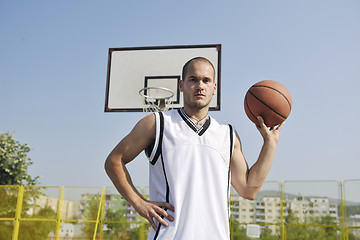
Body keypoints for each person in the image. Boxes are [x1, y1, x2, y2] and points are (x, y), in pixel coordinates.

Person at [105, 57, 284, 240]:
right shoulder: (157, 124)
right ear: (181, 85)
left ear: (214, 88)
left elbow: (249, 190)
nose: (200, 86)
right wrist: (138, 202)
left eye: (206, 80)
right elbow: (114, 161)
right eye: (193, 79)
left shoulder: (228, 134)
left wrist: (270, 144)